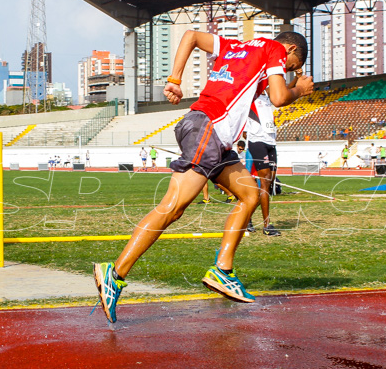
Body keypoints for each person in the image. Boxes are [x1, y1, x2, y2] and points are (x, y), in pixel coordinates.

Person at [94, 29, 312, 323]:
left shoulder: (238, 47)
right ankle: (115, 273)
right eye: (290, 66)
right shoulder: (273, 48)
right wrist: (299, 89)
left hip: (209, 133)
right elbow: (278, 96)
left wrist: (174, 80)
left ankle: (222, 270)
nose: (286, 72)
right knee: (172, 209)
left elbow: (191, 36)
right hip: (208, 129)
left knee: (249, 195)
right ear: (288, 49)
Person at [244, 92, 281, 236]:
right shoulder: (250, 95)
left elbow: (283, 92)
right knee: (264, 184)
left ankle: (247, 217)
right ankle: (267, 226)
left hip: (271, 141)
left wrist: (296, 78)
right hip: (257, 141)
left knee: (269, 184)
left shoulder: (268, 96)